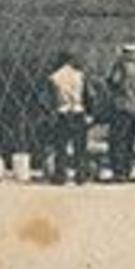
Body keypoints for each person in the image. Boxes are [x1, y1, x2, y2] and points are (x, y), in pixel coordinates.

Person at [46, 52, 90, 184]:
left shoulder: (54, 77)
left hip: (62, 112)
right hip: (78, 111)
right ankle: (80, 175)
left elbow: (48, 98)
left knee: (61, 146)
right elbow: (88, 95)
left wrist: (51, 112)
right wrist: (89, 111)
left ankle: (60, 175)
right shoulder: (80, 75)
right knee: (80, 147)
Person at [104, 43, 135, 182]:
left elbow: (113, 82)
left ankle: (119, 171)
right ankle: (127, 170)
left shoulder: (120, 65)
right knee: (129, 139)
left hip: (121, 106)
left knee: (117, 140)